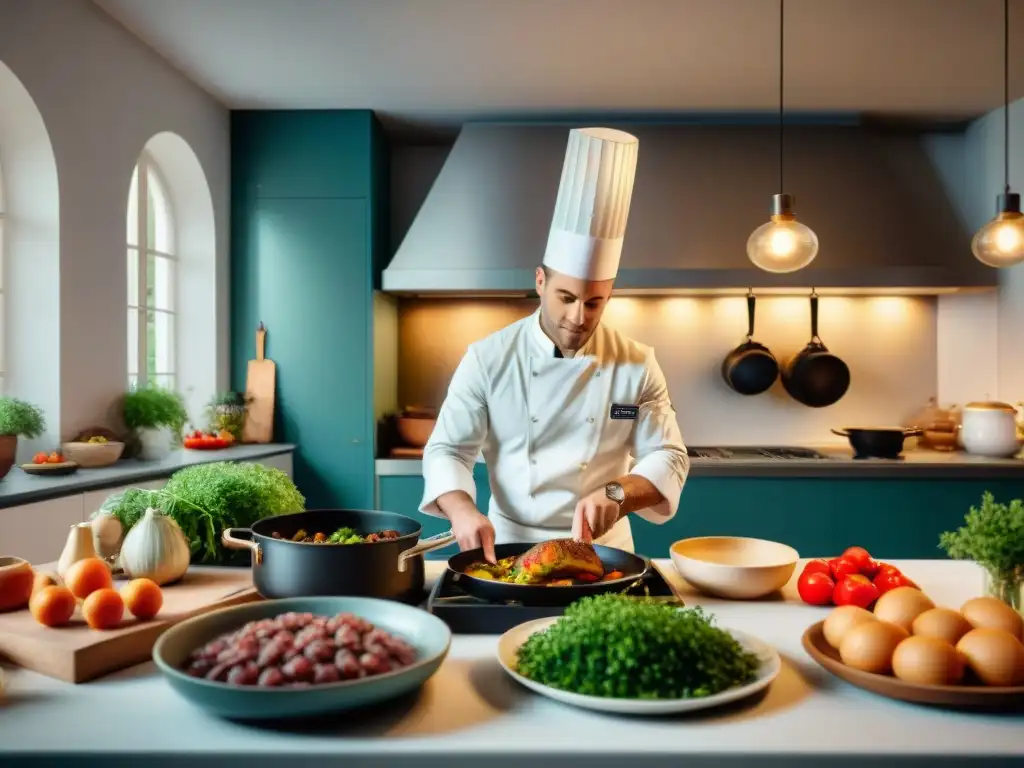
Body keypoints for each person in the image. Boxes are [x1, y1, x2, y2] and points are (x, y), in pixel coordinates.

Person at [419, 127, 689, 562]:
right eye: (566, 298)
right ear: (540, 281)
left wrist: (617, 493)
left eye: (595, 302)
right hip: (507, 547)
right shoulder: (488, 358)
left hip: (602, 552)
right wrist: (463, 511)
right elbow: (448, 449)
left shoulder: (637, 363)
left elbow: (668, 454)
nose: (578, 317)